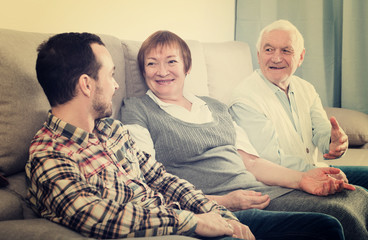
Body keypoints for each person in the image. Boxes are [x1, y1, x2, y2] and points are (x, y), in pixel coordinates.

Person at [24, 32, 345, 240]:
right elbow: (94, 215)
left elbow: (162, 179)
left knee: (325, 227)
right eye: (109, 75)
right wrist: (191, 221)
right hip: (169, 229)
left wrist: (215, 213)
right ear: (86, 85)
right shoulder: (50, 155)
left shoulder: (111, 131)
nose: (116, 85)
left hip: (189, 215)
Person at [120, 30, 368, 240]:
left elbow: (251, 162)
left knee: (357, 197)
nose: (162, 71)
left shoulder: (214, 106)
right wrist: (226, 201)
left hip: (258, 191)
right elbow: (146, 181)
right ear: (143, 71)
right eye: (152, 63)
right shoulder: (137, 109)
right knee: (337, 217)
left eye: (171, 61)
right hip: (217, 205)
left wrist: (301, 179)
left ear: (187, 67)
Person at [228, 19, 368, 190]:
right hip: (277, 187)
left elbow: (321, 130)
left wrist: (333, 142)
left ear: (300, 57)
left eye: (286, 50)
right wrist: (319, 171)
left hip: (312, 172)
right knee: (358, 195)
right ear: (258, 56)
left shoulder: (306, 88)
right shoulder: (245, 99)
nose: (276, 58)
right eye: (269, 50)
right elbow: (271, 160)